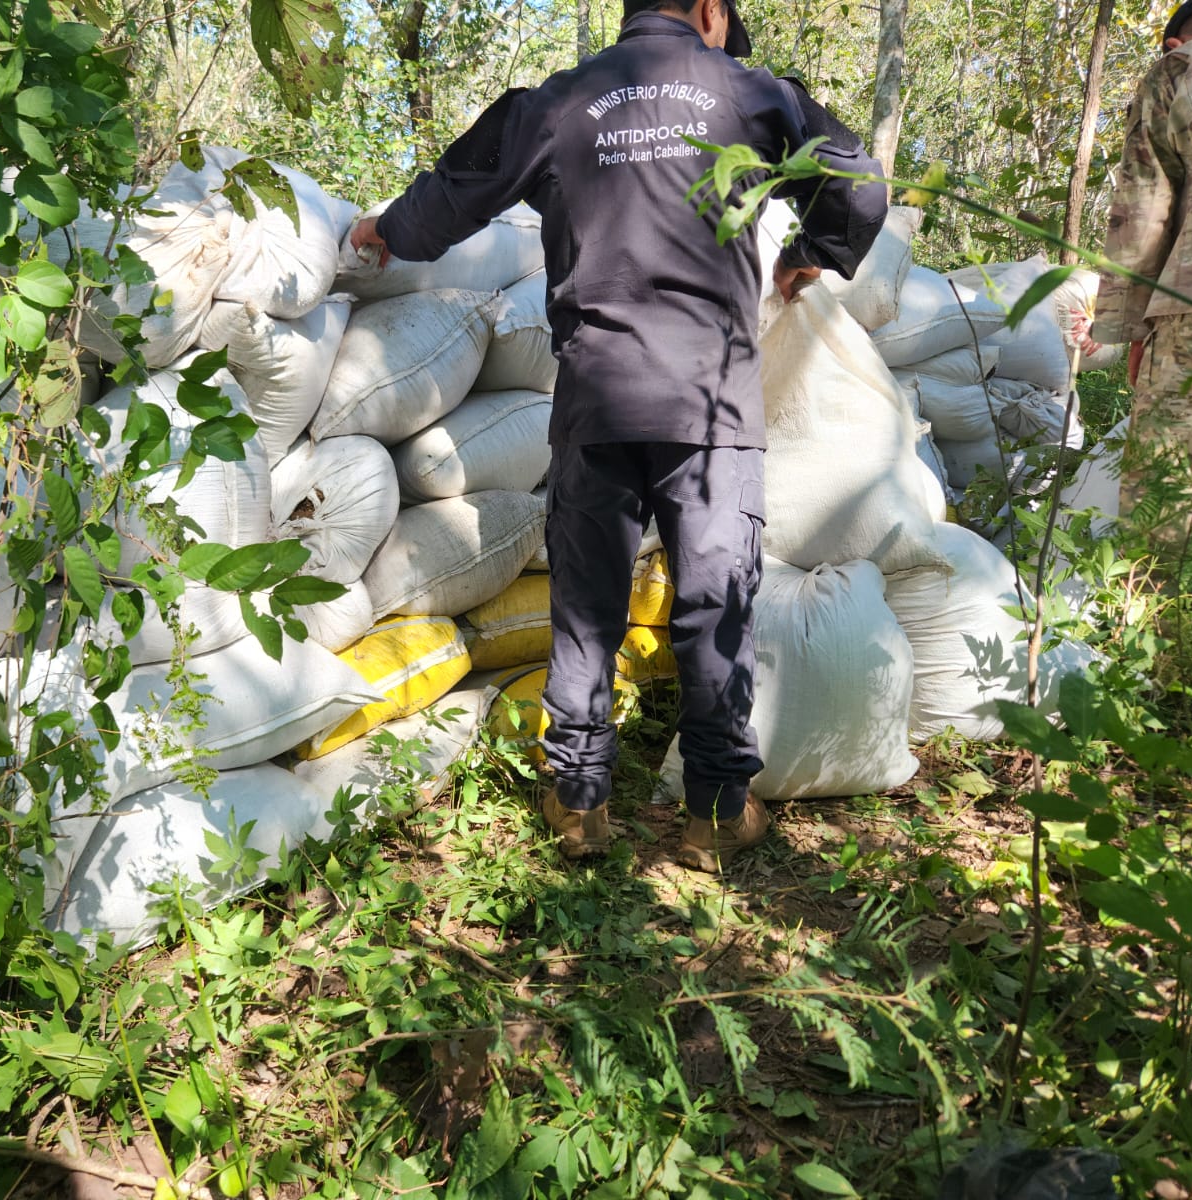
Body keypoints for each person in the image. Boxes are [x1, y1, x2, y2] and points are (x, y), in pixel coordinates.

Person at [350, 0, 887, 871]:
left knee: (588, 608)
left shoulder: (560, 102)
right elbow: (859, 182)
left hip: (597, 398)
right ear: (711, 10)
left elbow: (459, 188)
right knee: (713, 604)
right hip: (711, 411)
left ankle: (578, 802)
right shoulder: (757, 97)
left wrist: (385, 229)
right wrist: (810, 251)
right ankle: (715, 813)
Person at [1081, 0, 1192, 518]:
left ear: (1177, 43)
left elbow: (1143, 209)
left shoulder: (1182, 68)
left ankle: (1168, 600)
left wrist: (1130, 329)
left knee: (1173, 505)